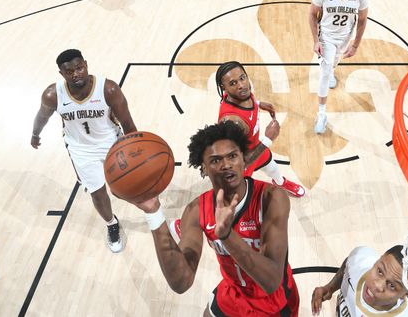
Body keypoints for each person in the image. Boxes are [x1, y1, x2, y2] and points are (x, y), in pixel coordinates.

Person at [128, 121, 300, 316]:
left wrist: (227, 236)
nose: (226, 164)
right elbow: (181, 282)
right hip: (234, 291)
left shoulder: (271, 198)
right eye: (216, 160)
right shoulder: (195, 211)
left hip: (274, 301)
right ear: (203, 168)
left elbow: (271, 281)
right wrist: (153, 212)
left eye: (233, 156)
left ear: (244, 159)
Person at [30, 49, 138, 252]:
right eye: (69, 71)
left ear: (86, 65)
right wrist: (35, 134)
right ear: (61, 73)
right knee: (97, 193)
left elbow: (128, 123)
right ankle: (111, 224)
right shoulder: (53, 95)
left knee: (126, 186)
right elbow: (42, 116)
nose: (76, 74)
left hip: (111, 143)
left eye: (79, 68)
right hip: (81, 150)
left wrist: (136, 152)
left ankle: (151, 213)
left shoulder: (108, 89)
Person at [215, 61, 305, 197]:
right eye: (233, 83)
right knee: (239, 202)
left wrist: (258, 104)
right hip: (241, 164)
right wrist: (268, 139)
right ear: (224, 87)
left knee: (272, 167)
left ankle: (280, 182)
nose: (241, 85)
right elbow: (237, 162)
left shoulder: (241, 94)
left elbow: (247, 104)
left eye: (242, 77)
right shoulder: (232, 122)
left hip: (255, 147)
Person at [309, 0, 369, 133]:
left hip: (345, 38)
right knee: (325, 72)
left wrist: (355, 45)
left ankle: (333, 69)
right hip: (326, 37)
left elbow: (363, 20)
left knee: (333, 64)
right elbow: (312, 14)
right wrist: (316, 40)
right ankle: (321, 114)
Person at [311, 245, 408, 316]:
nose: (377, 286)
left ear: (405, 294)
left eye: (392, 286)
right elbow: (348, 264)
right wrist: (330, 287)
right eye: (380, 271)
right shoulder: (361, 257)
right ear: (377, 260)